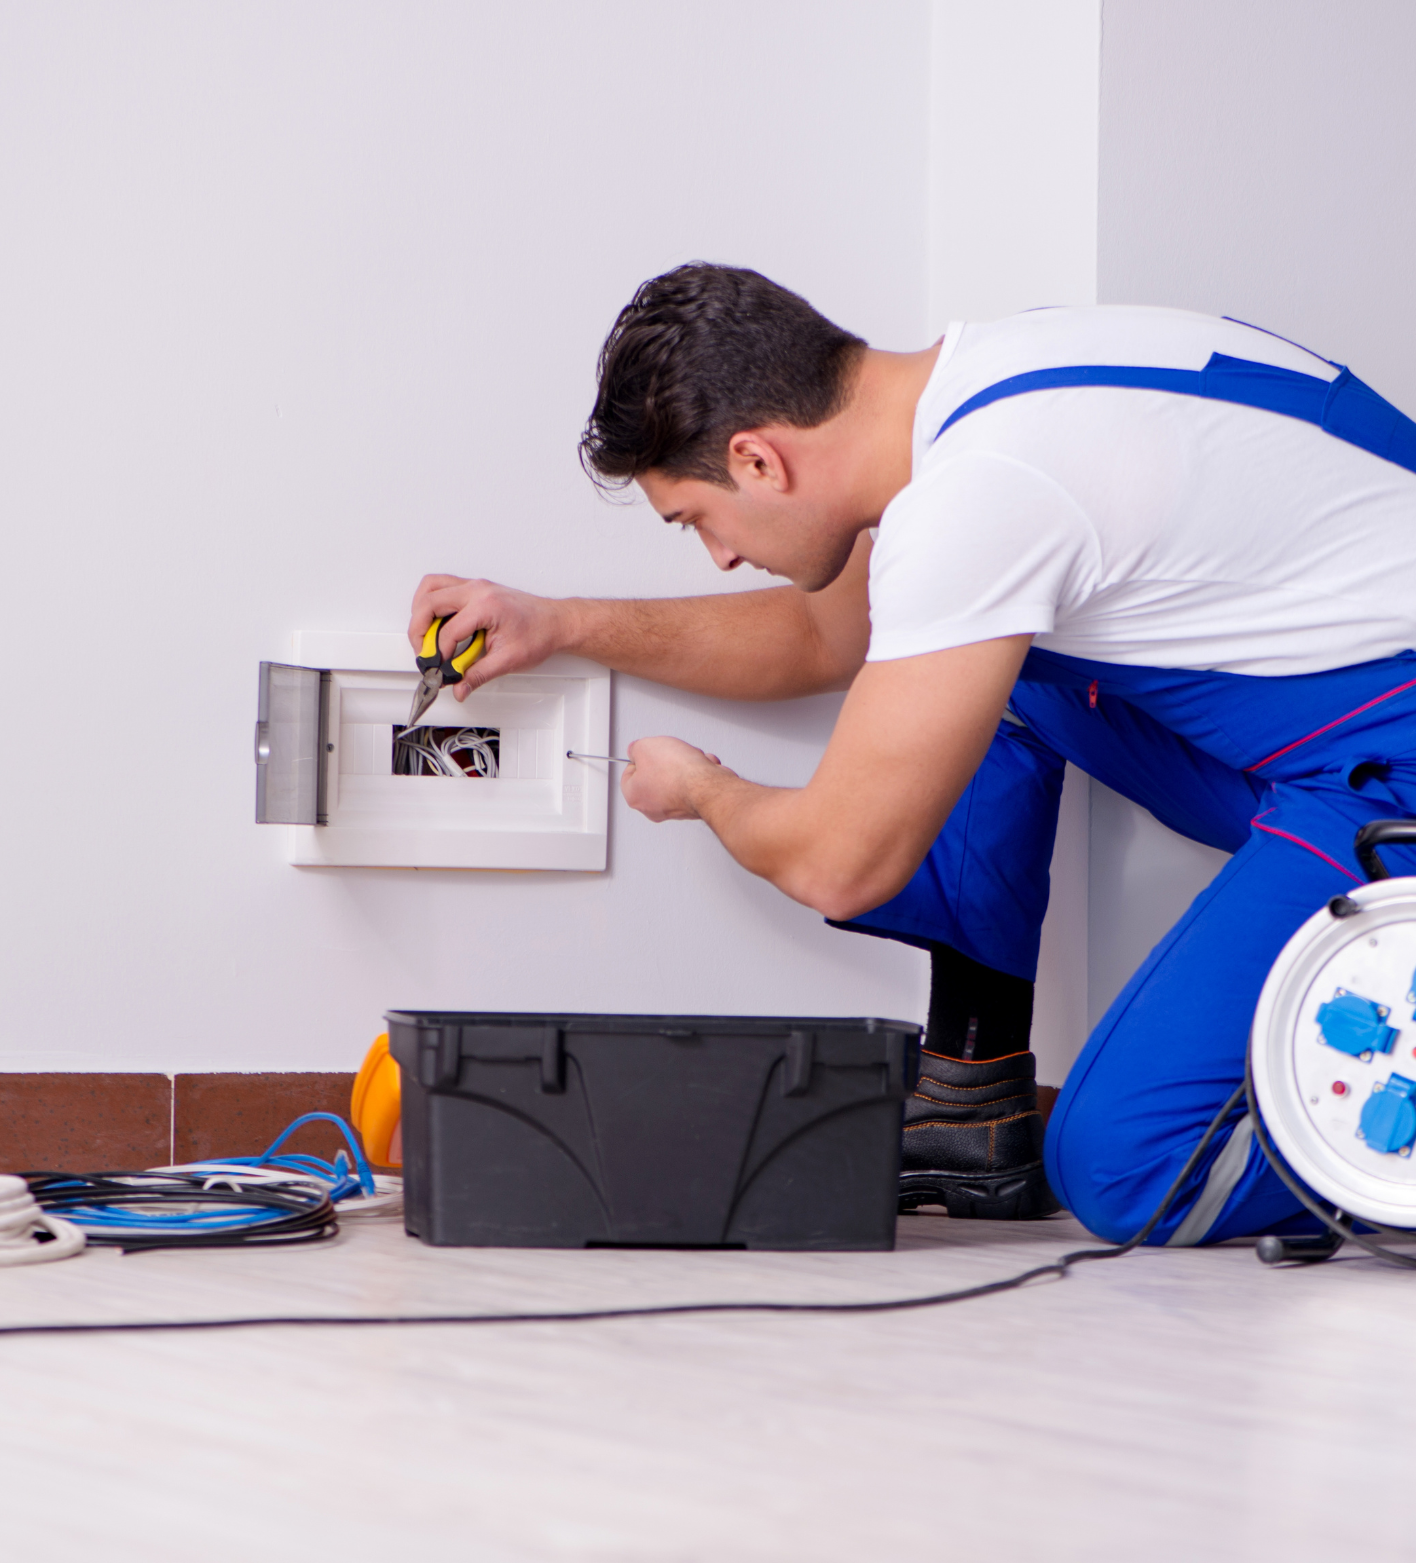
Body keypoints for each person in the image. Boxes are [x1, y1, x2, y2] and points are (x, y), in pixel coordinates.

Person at [408, 263, 1416, 1244]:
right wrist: (559, 623)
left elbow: (843, 865)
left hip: (1388, 763)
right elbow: (828, 639)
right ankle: (971, 1098)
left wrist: (706, 792)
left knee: (1131, 1170)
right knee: (990, 671)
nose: (716, 554)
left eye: (696, 520)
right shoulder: (987, 391)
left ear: (758, 460)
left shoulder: (982, 496)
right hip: (1337, 721)